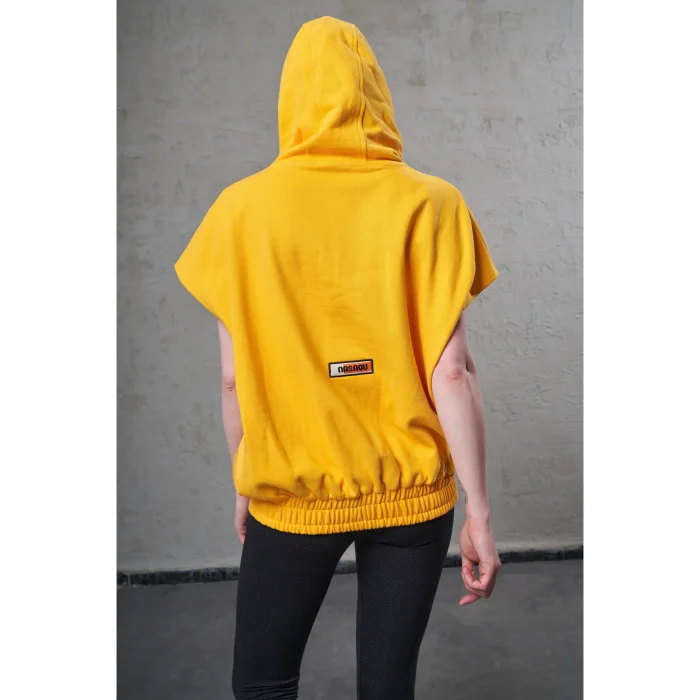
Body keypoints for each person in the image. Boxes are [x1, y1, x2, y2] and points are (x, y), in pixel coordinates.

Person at [175, 15, 500, 700]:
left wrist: (246, 482)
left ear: (291, 97)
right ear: (377, 93)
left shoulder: (240, 212)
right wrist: (479, 509)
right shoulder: (433, 204)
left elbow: (234, 381)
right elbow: (452, 372)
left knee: (263, 684)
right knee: (388, 686)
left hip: (293, 493)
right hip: (413, 499)